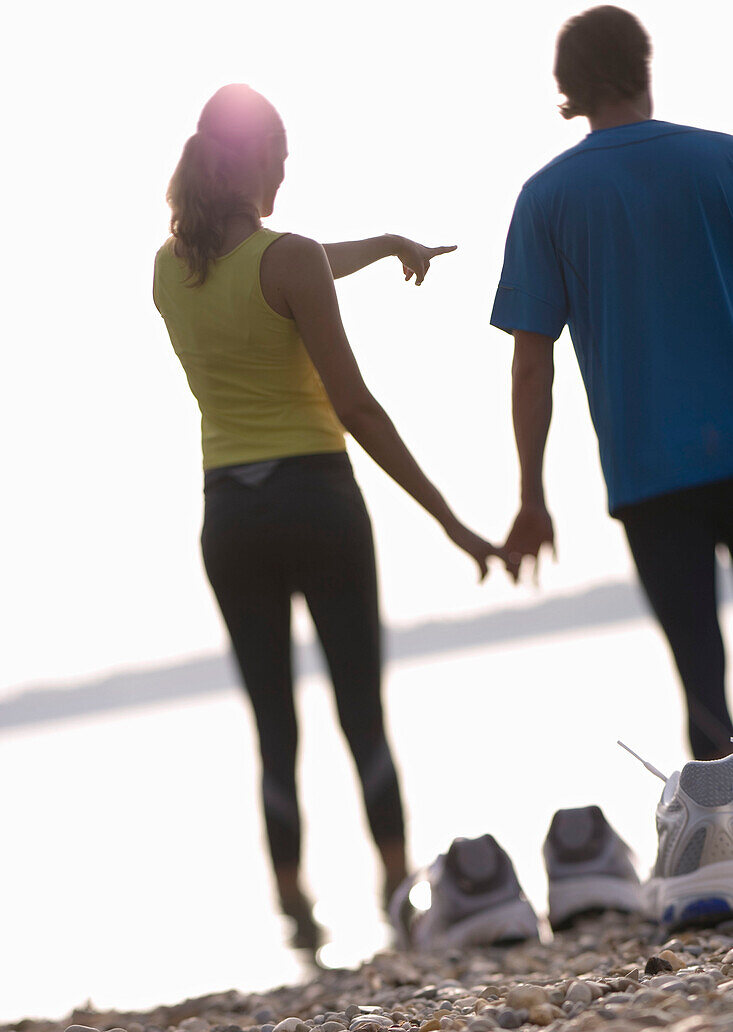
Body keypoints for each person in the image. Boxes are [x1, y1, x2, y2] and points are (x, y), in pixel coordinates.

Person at [154, 84, 502, 949]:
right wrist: (450, 519)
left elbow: (284, 268)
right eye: (283, 156)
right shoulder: (291, 258)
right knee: (359, 708)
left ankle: (295, 912)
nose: (286, 170)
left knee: (275, 723)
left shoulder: (168, 270)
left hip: (229, 514)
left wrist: (383, 246)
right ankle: (397, 896)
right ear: (262, 162)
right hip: (317, 497)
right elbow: (357, 406)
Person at [491, 5, 733, 761]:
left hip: (648, 474)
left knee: (701, 680)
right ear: (643, 67)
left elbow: (532, 364)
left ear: (565, 89)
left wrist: (531, 495)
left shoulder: (546, 199)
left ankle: (719, 856)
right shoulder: (722, 160)